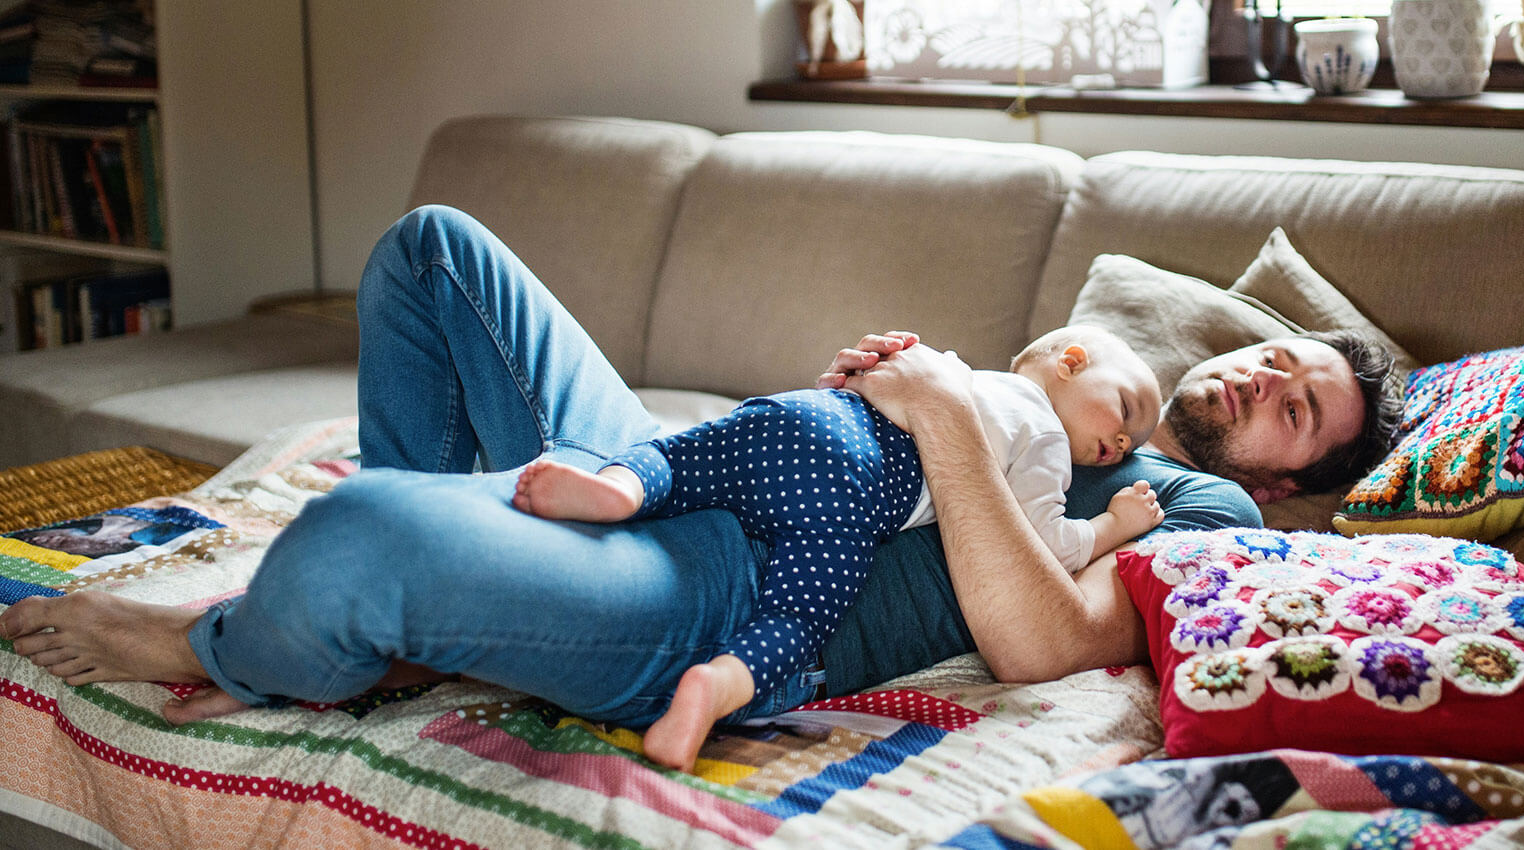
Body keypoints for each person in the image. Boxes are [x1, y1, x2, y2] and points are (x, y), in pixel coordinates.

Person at [0, 205, 1402, 768]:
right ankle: (436, 598)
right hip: (704, 461)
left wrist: (936, 419)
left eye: (1297, 413)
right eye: (1274, 357)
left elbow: (1045, 642)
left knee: (353, 533)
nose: (1259, 386)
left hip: (718, 592)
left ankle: (234, 641)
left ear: (1298, 482)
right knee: (434, 251)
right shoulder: (1066, 376)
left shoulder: (1200, 513)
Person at [510, 324, 1166, 768]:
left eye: (1134, 443)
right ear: (1071, 363)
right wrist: (1112, 526)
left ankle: (621, 489)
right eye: (1126, 410)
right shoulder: (1046, 437)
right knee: (799, 613)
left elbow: (871, 382)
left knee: (690, 454)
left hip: (808, 419)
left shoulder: (951, 368)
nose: (1125, 444)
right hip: (852, 494)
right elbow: (1047, 544)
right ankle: (716, 688)